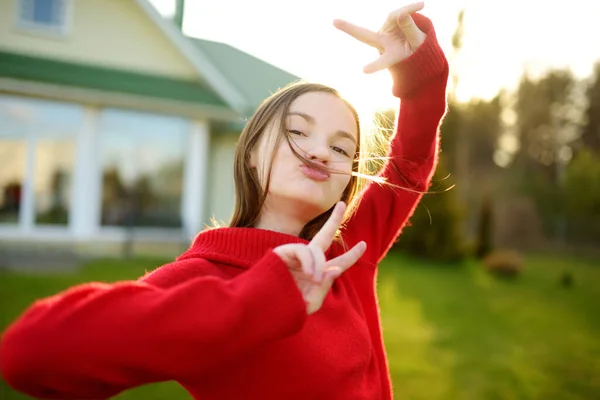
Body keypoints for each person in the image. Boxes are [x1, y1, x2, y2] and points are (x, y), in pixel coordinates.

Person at [0, 2, 449, 399]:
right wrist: (260, 302)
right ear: (251, 153)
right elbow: (29, 354)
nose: (318, 151)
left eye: (340, 148)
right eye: (297, 131)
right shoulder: (206, 277)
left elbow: (407, 167)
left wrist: (419, 74)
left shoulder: (349, 256)